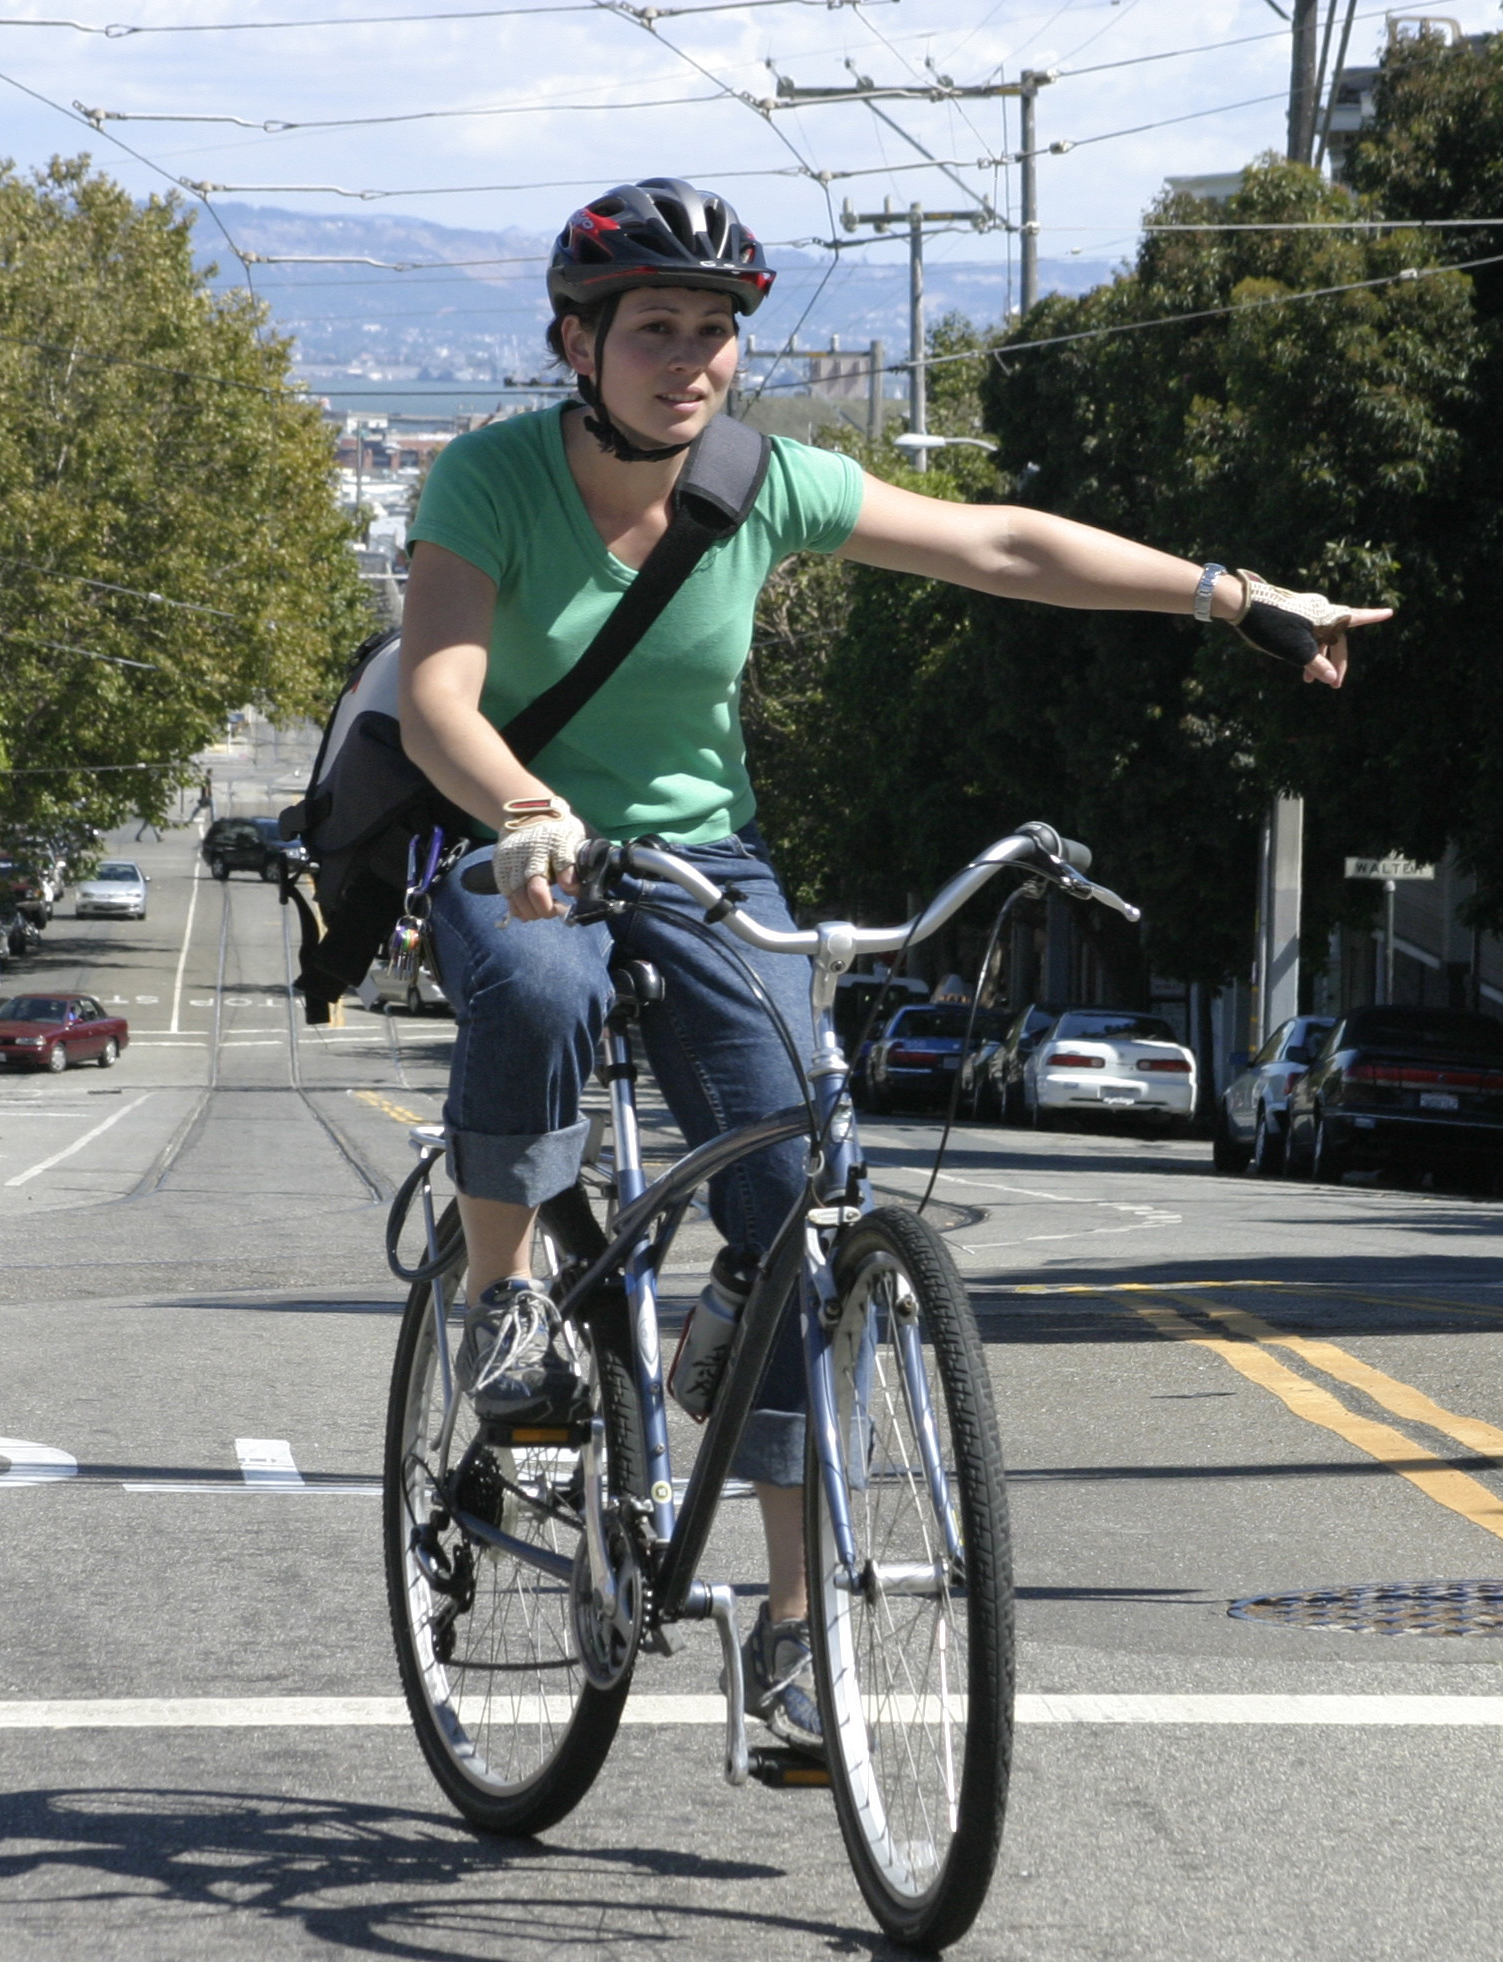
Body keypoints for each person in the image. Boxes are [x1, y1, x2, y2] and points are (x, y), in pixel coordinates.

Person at [398, 178, 1390, 1752]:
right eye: (656, 329)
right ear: (574, 342)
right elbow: (436, 689)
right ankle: (505, 1296)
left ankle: (794, 1641)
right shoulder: (490, 477)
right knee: (539, 985)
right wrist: (523, 806)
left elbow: (999, 540)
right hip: (520, 832)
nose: (693, 361)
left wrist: (1231, 597)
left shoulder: (760, 480)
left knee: (801, 1201)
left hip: (703, 858)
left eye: (718, 332)